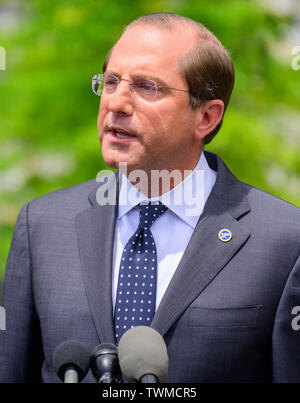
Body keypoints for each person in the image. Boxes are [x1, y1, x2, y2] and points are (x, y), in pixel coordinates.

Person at [0, 12, 300, 383]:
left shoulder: (284, 241)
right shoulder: (42, 225)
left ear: (206, 116)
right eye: (111, 82)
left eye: (146, 87)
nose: (117, 103)